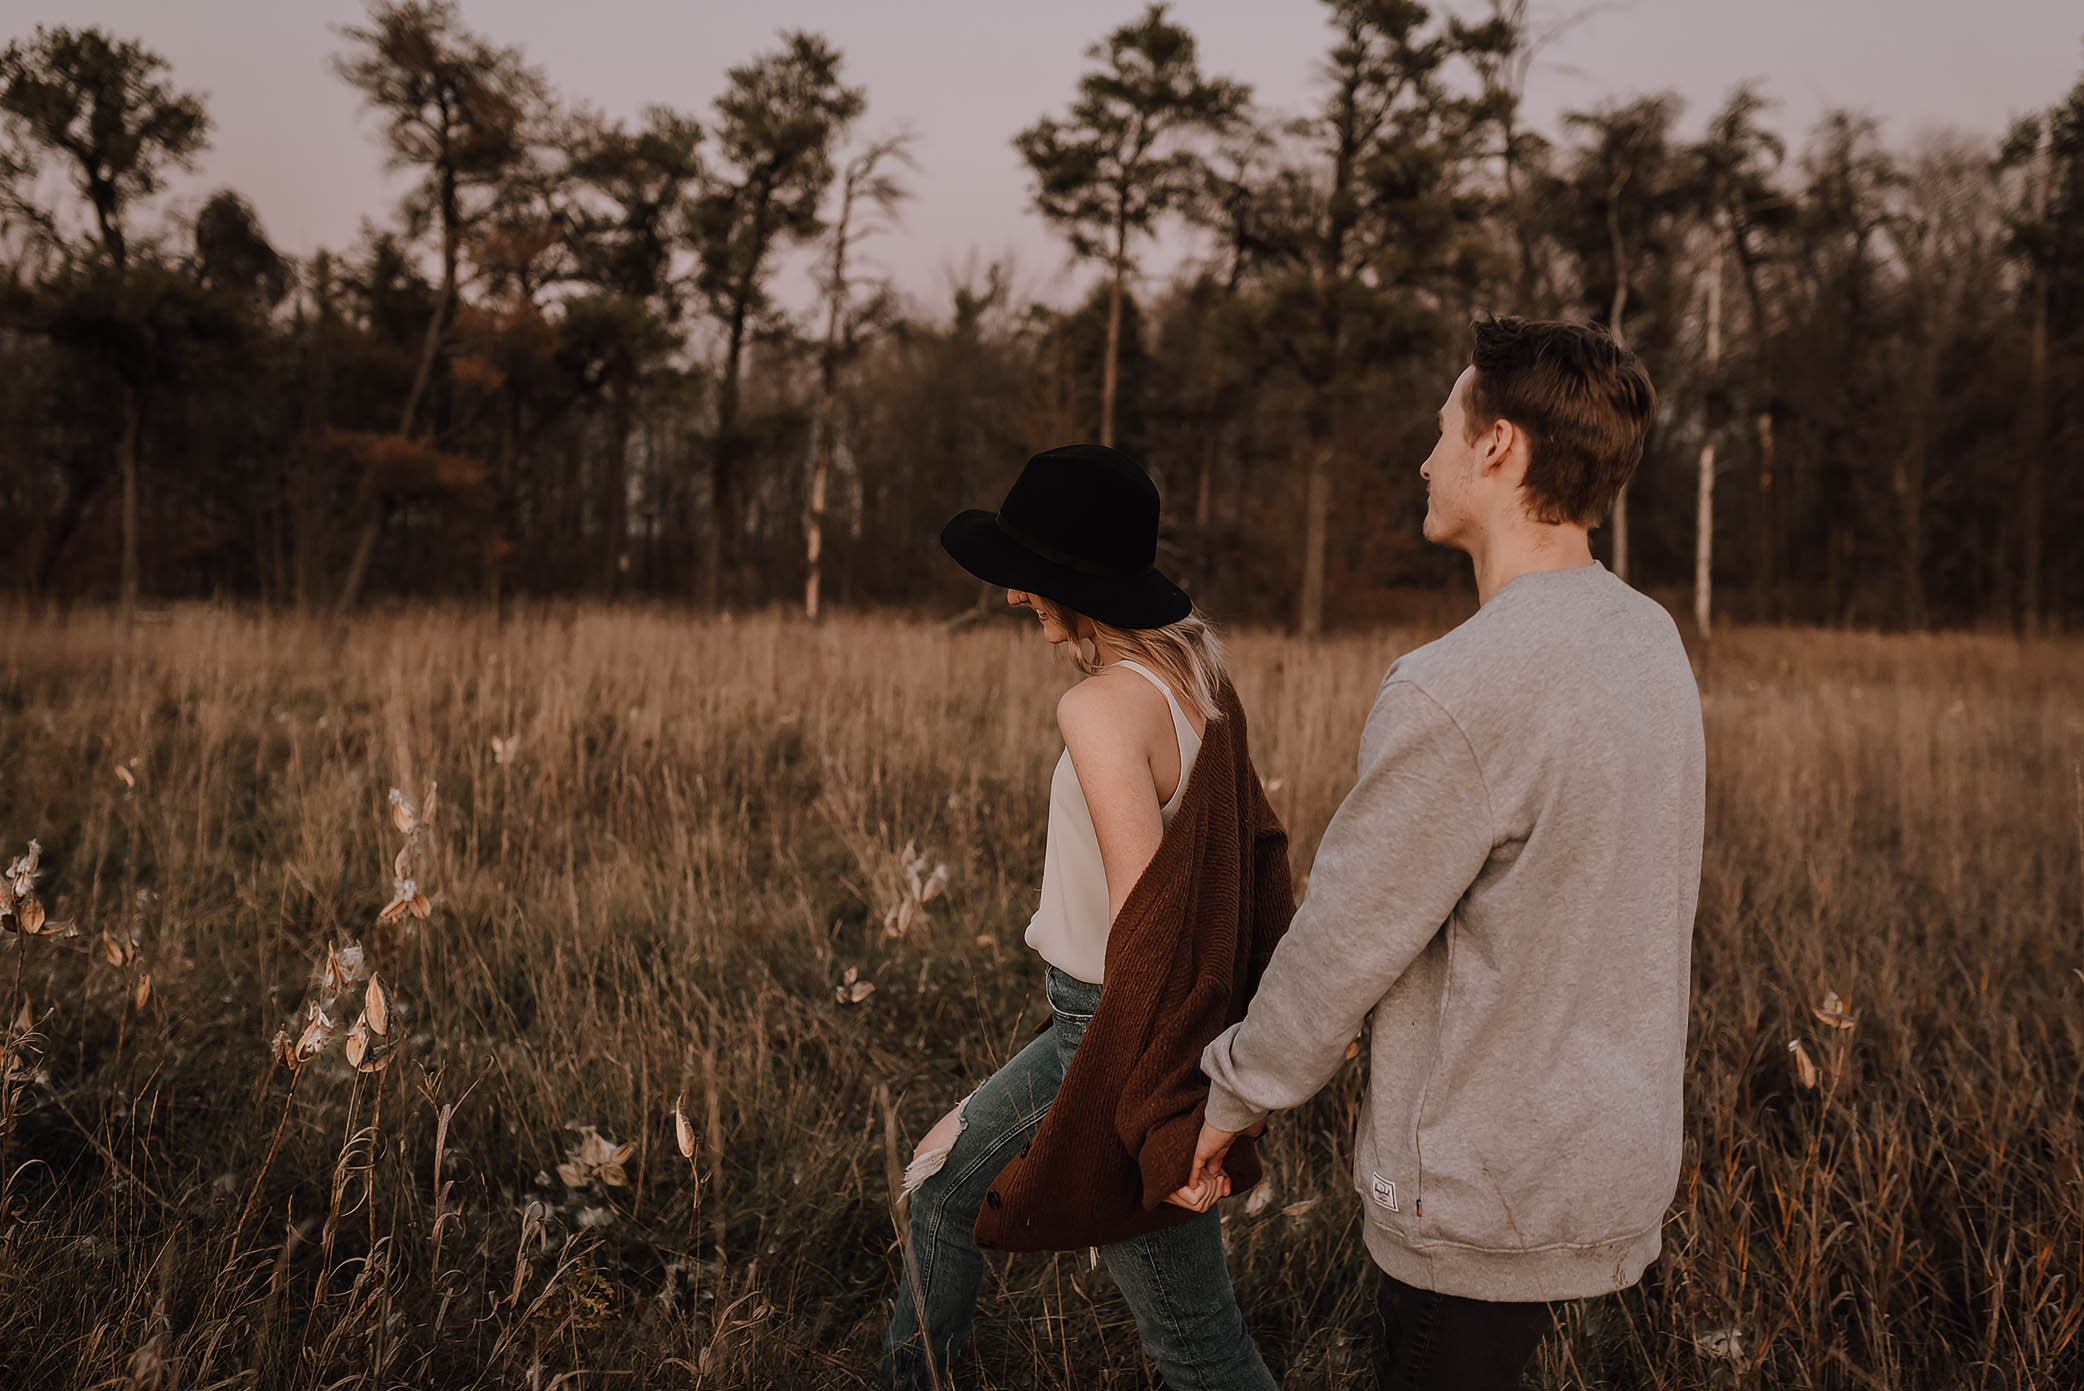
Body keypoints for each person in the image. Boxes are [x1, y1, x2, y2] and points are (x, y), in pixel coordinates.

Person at [1188, 316, 1706, 1390]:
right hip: (1607, 1162)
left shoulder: (1457, 682)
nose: (1424, 459)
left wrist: (1229, 1095)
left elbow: (1344, 939)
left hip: (1479, 1190)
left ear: (1496, 447)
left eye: (1440, 431)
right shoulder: (1647, 637)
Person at [879, 443, 1288, 1391]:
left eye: (1026, 579)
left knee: (1198, 1342)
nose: (1016, 598)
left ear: (1073, 584)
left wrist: (1159, 1111)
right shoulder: (1201, 684)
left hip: (1116, 1040)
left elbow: (1144, 931)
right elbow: (1259, 867)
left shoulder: (1100, 708)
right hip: (1104, 1023)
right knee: (942, 1188)